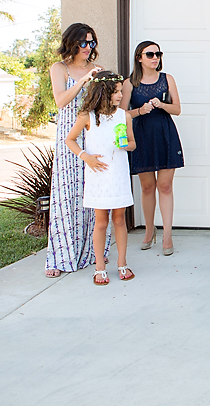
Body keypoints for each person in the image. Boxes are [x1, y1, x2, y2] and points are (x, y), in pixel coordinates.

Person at [43, 23, 111, 278]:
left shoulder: (95, 68)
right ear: (71, 43)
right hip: (69, 137)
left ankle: (95, 250)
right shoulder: (59, 68)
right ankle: (60, 255)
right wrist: (83, 79)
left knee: (93, 193)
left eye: (92, 42)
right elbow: (60, 101)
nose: (88, 47)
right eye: (83, 43)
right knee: (67, 194)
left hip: (93, 134)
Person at [64, 71, 137, 285]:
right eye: (116, 92)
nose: (120, 96)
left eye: (121, 92)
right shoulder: (87, 116)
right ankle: (99, 267)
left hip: (117, 172)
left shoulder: (124, 116)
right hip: (98, 175)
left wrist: (126, 145)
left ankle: (122, 263)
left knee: (119, 219)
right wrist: (85, 156)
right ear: (104, 92)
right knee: (101, 222)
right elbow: (70, 139)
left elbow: (133, 143)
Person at [121, 41, 184, 257]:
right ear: (139, 57)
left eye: (158, 54)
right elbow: (121, 114)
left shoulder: (167, 79)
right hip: (142, 136)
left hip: (165, 134)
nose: (155, 57)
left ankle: (167, 234)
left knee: (165, 186)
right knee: (147, 187)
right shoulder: (129, 83)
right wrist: (140, 110)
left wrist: (161, 105)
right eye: (150, 54)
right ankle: (149, 230)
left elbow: (177, 109)